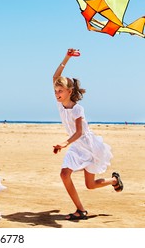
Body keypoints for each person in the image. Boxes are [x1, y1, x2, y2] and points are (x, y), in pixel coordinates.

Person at [52, 49, 124, 220]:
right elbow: (55, 77)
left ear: (69, 91)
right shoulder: (60, 105)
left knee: (90, 185)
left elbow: (79, 132)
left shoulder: (77, 109)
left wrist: (64, 143)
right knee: (64, 174)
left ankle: (114, 181)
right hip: (76, 147)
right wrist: (67, 57)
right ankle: (81, 210)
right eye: (55, 91)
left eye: (60, 91)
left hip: (89, 147)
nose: (57, 94)